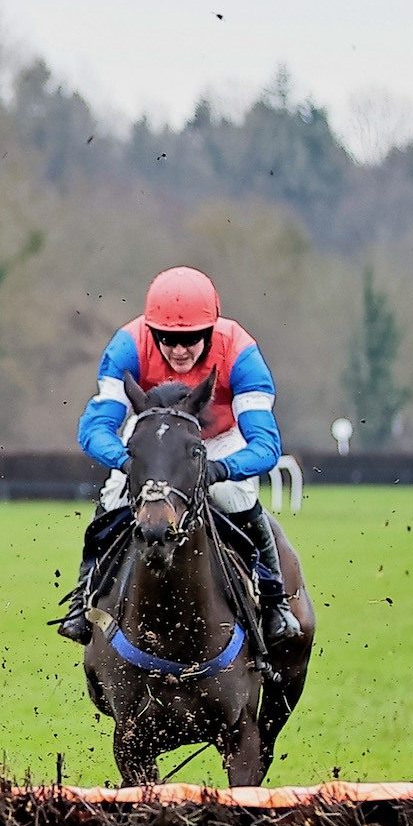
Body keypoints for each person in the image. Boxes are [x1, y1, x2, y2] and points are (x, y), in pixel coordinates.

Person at [57, 265, 302, 646]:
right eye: (167, 340)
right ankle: (83, 599)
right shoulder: (127, 347)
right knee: (113, 494)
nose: (178, 350)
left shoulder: (240, 353)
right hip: (152, 443)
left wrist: (222, 469)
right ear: (151, 332)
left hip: (219, 437)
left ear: (211, 331)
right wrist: (128, 464)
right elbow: (94, 429)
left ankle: (274, 603)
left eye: (190, 340)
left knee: (235, 496)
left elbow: (265, 445)